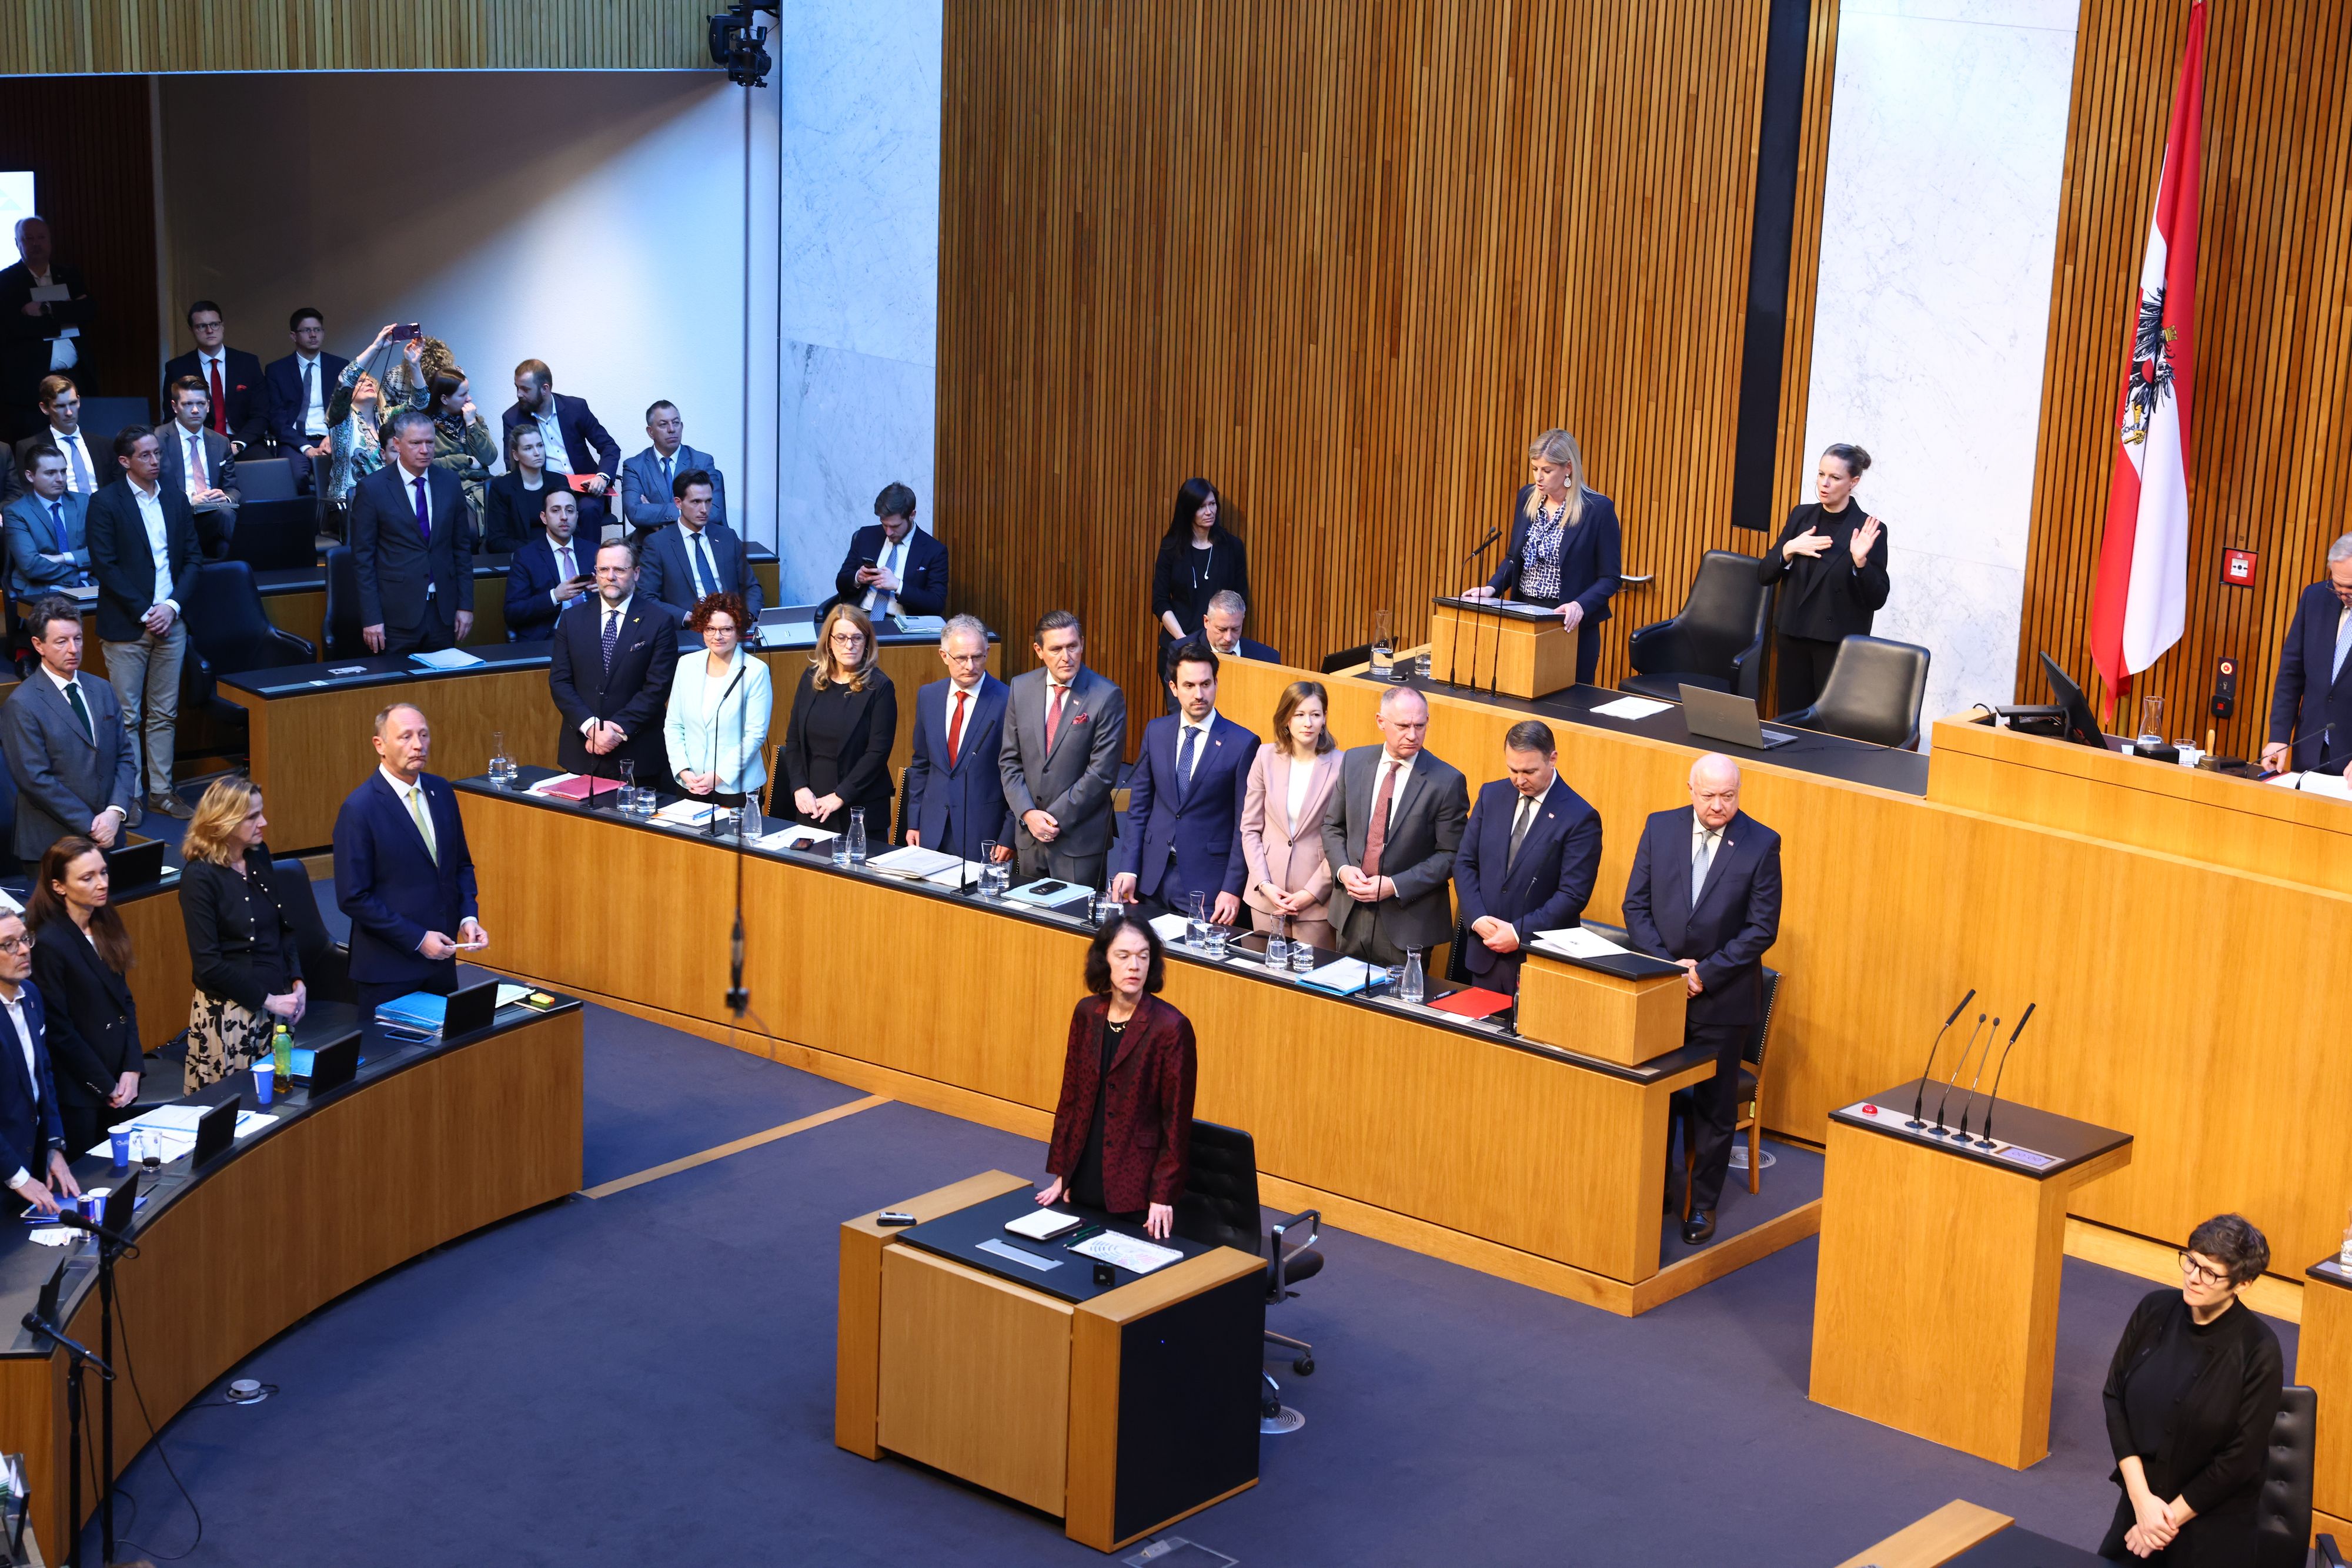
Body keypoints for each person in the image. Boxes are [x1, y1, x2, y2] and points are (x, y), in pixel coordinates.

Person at [1622, 753, 1782, 1244]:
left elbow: (1761, 928)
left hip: (1723, 1000)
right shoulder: (1660, 827)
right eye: (1709, 795)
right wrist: (1670, 968)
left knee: (1714, 1109)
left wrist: (1705, 974)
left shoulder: (1760, 843)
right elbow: (1636, 904)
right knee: (1654, 1097)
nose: (1719, 805)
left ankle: (1703, 1204)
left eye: (1729, 796)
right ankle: (1657, 1192)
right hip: (1662, 992)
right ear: (1690, 788)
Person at [2099, 1213, 2284, 1564]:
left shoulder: (2260, 1349)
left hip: (2209, 1520)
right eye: (2191, 1262)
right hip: (2142, 1505)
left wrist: (2162, 1523)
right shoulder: (2153, 1309)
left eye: (2210, 1273)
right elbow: (2114, 1398)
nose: (2193, 1278)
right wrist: (2141, 1502)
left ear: (2242, 1284)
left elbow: (2241, 1458)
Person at [1036, 917, 1195, 1238]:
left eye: (1143, 956)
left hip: (1135, 1187)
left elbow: (1175, 1121)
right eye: (1123, 956)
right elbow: (1071, 1098)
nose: (1134, 966)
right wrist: (1063, 1173)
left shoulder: (1171, 1027)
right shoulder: (1087, 1013)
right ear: (1104, 960)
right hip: (1084, 1175)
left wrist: (1162, 1196)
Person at [334, 703, 486, 1012]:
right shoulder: (359, 809)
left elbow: (460, 865)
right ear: (380, 745)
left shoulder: (441, 790)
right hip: (389, 970)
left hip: (441, 963)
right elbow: (353, 897)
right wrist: (417, 939)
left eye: (424, 735)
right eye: (405, 737)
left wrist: (468, 916)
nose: (418, 745)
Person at [85, 425, 200, 822]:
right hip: (128, 626)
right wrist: (146, 611)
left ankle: (162, 792)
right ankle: (129, 796)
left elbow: (192, 559)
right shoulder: (105, 502)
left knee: (165, 714)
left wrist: (170, 606)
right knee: (127, 716)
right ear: (125, 461)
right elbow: (105, 565)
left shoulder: (175, 497)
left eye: (157, 453)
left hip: (173, 622)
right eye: (146, 455)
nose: (156, 461)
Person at [1319, 685, 1469, 967]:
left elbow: (1452, 855)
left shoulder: (1447, 781)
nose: (1412, 735)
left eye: (1420, 726)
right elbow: (1332, 826)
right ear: (1381, 722)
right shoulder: (1354, 761)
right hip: (1350, 913)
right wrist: (1342, 869)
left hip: (1407, 921)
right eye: (1403, 726)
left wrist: (1394, 885)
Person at [1461, 429, 1623, 688]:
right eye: (1535, 468)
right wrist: (1491, 588)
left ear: (1568, 468)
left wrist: (1579, 605)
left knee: (1566, 705)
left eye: (1547, 470)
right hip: (1524, 617)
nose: (1538, 477)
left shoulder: (1597, 510)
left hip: (1567, 624)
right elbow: (1515, 558)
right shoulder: (1527, 498)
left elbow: (1610, 577)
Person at [1452, 720, 1602, 994]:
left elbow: (1572, 895)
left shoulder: (1580, 817)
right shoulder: (1492, 794)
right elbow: (1465, 862)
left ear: (1552, 759)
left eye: (1529, 771)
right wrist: (1477, 918)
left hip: (1537, 961)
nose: (1520, 780)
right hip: (1484, 954)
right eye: (1513, 770)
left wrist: (1518, 933)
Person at [1111, 641, 1256, 921]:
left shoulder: (1243, 743)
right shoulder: (1156, 731)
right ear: (1174, 688)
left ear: (1216, 683)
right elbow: (1140, 807)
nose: (1198, 694)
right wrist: (1128, 867)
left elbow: (1245, 825)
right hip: (1151, 878)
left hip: (1208, 887)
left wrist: (1232, 888)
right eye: (1189, 686)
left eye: (1205, 684)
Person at [178, 775, 305, 1090]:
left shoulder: (259, 855)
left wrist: (297, 981)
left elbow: (282, 929)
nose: (264, 822)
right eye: (252, 817)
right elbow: (208, 964)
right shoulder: (199, 877)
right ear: (224, 822)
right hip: (231, 1019)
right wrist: (270, 1001)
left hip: (277, 1007)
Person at [24, 837, 139, 1161]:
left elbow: (125, 1003)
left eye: (103, 873)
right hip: (81, 1091)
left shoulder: (104, 924)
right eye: (87, 878)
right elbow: (59, 1030)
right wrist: (106, 1085)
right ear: (59, 886)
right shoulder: (49, 942)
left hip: (118, 1078)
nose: (101, 884)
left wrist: (131, 1068)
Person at [0, 595, 139, 858]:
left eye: (77, 639)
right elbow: (35, 779)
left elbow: (125, 757)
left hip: (109, 837)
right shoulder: (22, 704)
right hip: (54, 846)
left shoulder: (102, 689)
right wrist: (92, 825)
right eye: (61, 642)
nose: (73, 649)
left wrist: (115, 812)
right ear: (38, 645)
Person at [1758, 443, 1890, 715]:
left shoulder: (1868, 529)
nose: (1824, 484)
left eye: (1835, 477)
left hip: (1836, 643)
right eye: (1821, 474)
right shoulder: (1801, 516)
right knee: (1791, 719)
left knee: (1828, 723)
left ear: (1853, 482)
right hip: (1793, 634)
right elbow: (1764, 574)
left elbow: (1877, 598)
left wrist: (1861, 562)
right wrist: (1788, 549)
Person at [1000, 609, 1127, 888]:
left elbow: (1101, 775)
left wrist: (1051, 820)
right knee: (1028, 924)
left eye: (1072, 646)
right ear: (1039, 650)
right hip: (1030, 837)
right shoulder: (1020, 688)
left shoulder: (1107, 696)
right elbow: (1009, 761)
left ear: (1082, 643)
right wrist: (1028, 815)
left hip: (1079, 842)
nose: (1066, 656)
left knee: (1075, 926)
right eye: (1056, 649)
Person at [550, 540, 681, 786]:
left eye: (620, 570)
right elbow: (560, 682)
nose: (611, 577)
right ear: (596, 574)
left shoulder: (659, 621)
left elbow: (657, 688)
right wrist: (591, 728)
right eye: (604, 570)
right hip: (583, 751)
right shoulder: (571, 619)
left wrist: (615, 731)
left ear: (637, 573)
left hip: (638, 755)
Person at [351, 409, 474, 653]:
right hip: (396, 615)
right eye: (416, 443)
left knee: (442, 688)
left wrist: (466, 605)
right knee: (397, 689)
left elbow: (461, 549)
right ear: (397, 444)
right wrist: (372, 618)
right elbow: (363, 559)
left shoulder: (449, 483)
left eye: (430, 442)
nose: (425, 450)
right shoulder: (372, 489)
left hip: (443, 612)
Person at [903, 614, 1015, 862]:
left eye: (978, 657)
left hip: (984, 835)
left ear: (987, 652)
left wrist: (1009, 835)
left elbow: (1018, 775)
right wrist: (915, 822)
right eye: (961, 658)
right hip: (931, 831)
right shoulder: (928, 696)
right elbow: (921, 765)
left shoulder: (1008, 700)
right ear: (944, 656)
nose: (970, 666)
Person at [1241, 679, 1343, 951]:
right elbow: (1250, 828)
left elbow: (1342, 838)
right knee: (1265, 980)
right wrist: (1264, 884)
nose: (1307, 723)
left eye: (1315, 714)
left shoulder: (1342, 765)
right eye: (1299, 714)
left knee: (1310, 984)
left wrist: (1311, 894)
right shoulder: (1264, 756)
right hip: (1266, 898)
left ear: (1324, 720)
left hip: (1316, 904)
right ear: (1286, 719)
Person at [779, 604, 897, 832]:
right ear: (829, 642)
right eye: (841, 637)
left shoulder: (880, 687)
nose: (849, 645)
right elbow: (793, 741)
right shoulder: (811, 678)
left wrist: (840, 796)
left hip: (859, 808)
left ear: (867, 642)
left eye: (857, 638)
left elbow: (877, 753)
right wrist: (799, 787)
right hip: (812, 804)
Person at [0, 908, 78, 1216]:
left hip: (30, 1156)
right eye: (8, 944)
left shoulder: (31, 995)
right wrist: (18, 1176)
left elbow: (43, 1076)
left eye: (24, 939)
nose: (23, 950)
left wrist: (53, 1146)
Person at [663, 591, 771, 805]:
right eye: (710, 629)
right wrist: (683, 770)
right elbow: (674, 724)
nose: (717, 636)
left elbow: (755, 734)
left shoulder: (756, 671)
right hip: (692, 782)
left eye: (726, 629)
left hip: (736, 786)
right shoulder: (686, 664)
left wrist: (719, 776)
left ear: (739, 631)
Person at [2261, 533, 2352, 774]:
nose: (2344, 595)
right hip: (2310, 750)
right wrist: (2279, 737)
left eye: (2350, 588)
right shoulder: (2315, 598)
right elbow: (2291, 674)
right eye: (2337, 586)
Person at [502, 359, 620, 537]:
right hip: (544, 491)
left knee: (588, 509)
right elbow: (511, 463)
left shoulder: (576, 408)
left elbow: (609, 447)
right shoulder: (513, 418)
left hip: (584, 489)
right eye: (517, 388)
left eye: (525, 389)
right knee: (545, 514)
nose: (519, 394)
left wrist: (602, 477)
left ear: (545, 388)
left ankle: (589, 563)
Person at [0, 218, 92, 443]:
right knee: (36, 452)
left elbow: (88, 312)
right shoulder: (6, 281)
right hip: (30, 385)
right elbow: (15, 328)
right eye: (28, 238)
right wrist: (66, 312)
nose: (36, 243)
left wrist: (44, 308)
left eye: (41, 237)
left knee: (79, 444)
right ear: (17, 243)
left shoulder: (69, 275)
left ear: (50, 241)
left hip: (75, 377)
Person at [325, 326, 432, 509]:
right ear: (349, 393)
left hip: (387, 502)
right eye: (361, 382)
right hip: (349, 506)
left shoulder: (388, 417)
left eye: (370, 381)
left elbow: (420, 405)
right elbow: (345, 379)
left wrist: (414, 365)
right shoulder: (341, 419)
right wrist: (376, 347)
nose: (367, 383)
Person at [640, 471, 763, 617]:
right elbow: (647, 598)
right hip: (689, 629)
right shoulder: (658, 544)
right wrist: (688, 618)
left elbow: (752, 587)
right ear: (678, 503)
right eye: (696, 502)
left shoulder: (727, 537)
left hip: (731, 625)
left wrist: (747, 616)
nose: (704, 509)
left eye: (708, 501)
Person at [1152, 479, 1250, 655]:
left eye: (1212, 504)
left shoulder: (1232, 546)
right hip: (1177, 645)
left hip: (1219, 649)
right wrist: (1183, 640)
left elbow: (1240, 598)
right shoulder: (1171, 548)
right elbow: (1160, 601)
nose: (1209, 512)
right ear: (1188, 511)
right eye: (1201, 507)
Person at [160, 300, 265, 454]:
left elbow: (261, 414)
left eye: (214, 324)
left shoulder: (247, 363)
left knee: (270, 469)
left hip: (243, 441)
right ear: (192, 330)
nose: (210, 330)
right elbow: (172, 416)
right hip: (197, 443)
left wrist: (238, 444)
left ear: (222, 326)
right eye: (202, 326)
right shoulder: (177, 368)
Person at [262, 306, 347, 493]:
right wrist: (306, 447)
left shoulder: (339, 366)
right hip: (295, 440)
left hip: (332, 438)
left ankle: (334, 521)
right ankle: (307, 522)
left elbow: (347, 411)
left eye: (318, 330)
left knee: (346, 474)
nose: (313, 335)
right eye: (307, 331)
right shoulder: (277, 370)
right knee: (295, 476)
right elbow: (277, 418)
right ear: (294, 336)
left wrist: (332, 437)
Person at [833, 482, 947, 619]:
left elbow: (936, 603)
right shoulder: (866, 536)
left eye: (895, 526)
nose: (888, 532)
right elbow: (841, 582)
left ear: (912, 515)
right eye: (884, 524)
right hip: (860, 618)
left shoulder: (934, 550)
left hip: (902, 623)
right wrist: (858, 577)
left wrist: (898, 586)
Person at [156, 375, 240, 556]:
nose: (195, 410)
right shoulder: (157, 440)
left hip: (214, 514)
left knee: (225, 542)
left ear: (208, 406)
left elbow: (233, 488)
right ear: (174, 407)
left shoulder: (221, 442)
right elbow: (150, 490)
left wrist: (224, 498)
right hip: (176, 518)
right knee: (227, 522)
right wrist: (188, 500)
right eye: (188, 404)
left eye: (201, 404)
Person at [502, 487, 593, 642]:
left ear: (577, 516)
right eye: (556, 511)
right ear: (544, 517)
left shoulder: (595, 552)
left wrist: (606, 593)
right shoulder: (526, 557)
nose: (564, 517)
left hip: (594, 636)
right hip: (551, 638)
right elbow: (512, 612)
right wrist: (554, 596)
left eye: (570, 511)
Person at [621, 400, 727, 531]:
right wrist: (688, 508)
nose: (672, 429)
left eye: (676, 423)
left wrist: (658, 519)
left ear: (681, 426)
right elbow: (635, 513)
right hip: (651, 543)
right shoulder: (635, 466)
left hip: (696, 539)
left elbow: (715, 511)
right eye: (663, 425)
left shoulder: (703, 462)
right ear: (651, 432)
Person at [4, 445, 92, 595]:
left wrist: (61, 558)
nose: (60, 479)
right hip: (42, 589)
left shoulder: (84, 503)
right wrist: (81, 573)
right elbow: (32, 566)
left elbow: (102, 553)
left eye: (63, 472)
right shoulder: (16, 512)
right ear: (30, 476)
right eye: (50, 473)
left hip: (89, 587)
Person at [11, 376, 100, 502]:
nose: (69, 412)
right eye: (60, 406)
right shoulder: (29, 447)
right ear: (44, 408)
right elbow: (28, 495)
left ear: (79, 401)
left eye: (73, 403)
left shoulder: (103, 446)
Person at [426, 372, 499, 521]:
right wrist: (467, 461)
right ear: (444, 399)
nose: (469, 399)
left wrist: (472, 425)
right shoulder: (427, 428)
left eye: (468, 393)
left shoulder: (474, 419)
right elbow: (430, 466)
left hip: (484, 486)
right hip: (454, 494)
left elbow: (489, 457)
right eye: (463, 395)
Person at [483, 424, 557, 553]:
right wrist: (540, 548)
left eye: (540, 446)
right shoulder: (502, 487)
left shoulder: (558, 482)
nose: (537, 453)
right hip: (522, 556)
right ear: (516, 455)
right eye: (528, 448)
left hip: (559, 554)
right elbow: (496, 541)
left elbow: (574, 529)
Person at [1199, 589, 1279, 663]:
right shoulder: (1186, 653)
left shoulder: (1269, 659)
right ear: (1206, 621)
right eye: (1222, 629)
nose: (1228, 638)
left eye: (1235, 629)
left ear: (1242, 621)